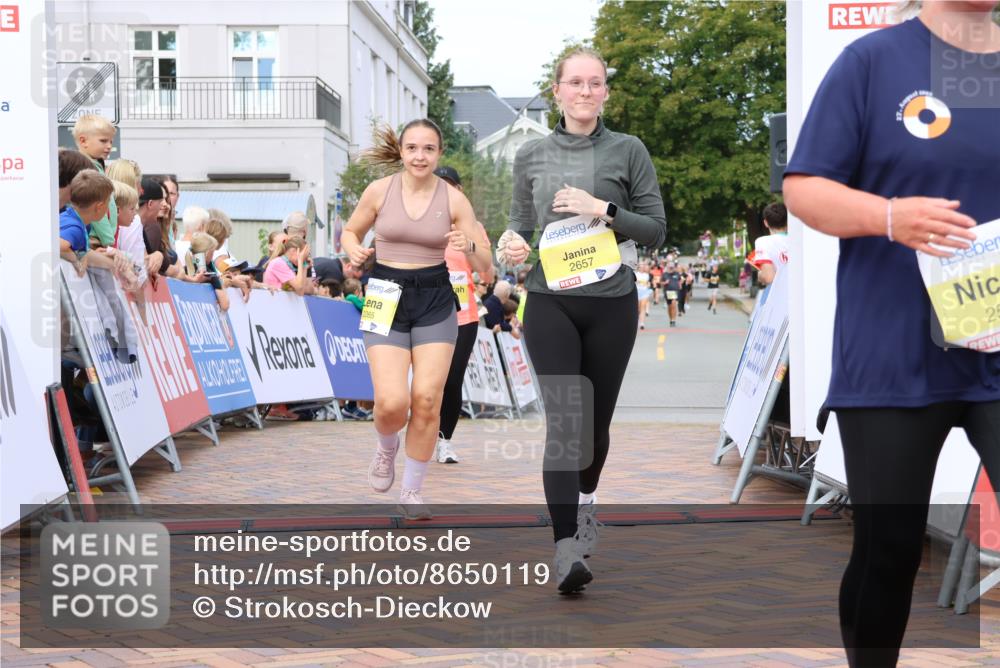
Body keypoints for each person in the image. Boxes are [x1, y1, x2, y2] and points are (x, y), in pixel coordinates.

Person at [782, 2, 1000, 665]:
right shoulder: (873, 64)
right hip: (893, 350)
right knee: (890, 550)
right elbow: (804, 188)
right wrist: (887, 215)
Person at [496, 47, 666, 593]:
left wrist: (602, 209)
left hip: (611, 302)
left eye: (595, 83)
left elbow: (655, 230)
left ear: (606, 92)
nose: (586, 91)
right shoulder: (532, 156)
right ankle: (566, 548)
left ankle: (587, 499)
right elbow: (519, 230)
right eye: (576, 83)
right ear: (558, 92)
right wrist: (512, 249)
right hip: (550, 300)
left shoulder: (628, 150)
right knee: (567, 424)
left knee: (594, 432)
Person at [340, 119, 492, 520]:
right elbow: (350, 232)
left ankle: (411, 492)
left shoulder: (454, 200)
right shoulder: (380, 190)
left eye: (428, 149)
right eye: (412, 148)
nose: (420, 156)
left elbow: (486, 267)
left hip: (436, 297)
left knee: (427, 399)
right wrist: (354, 249)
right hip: (385, 294)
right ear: (402, 152)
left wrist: (470, 244)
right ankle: (386, 448)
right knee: (392, 402)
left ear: (439, 153)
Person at [433, 165, 494, 464]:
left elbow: (488, 271)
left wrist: (469, 245)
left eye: (450, 186)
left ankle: (445, 441)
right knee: (428, 382)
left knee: (453, 379)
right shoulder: (421, 221)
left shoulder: (474, 226)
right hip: (426, 313)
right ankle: (423, 435)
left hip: (463, 315)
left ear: (459, 191)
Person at [71, 114, 118, 247]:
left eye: (111, 141)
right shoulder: (86, 168)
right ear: (83, 141)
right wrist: (109, 241)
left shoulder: (94, 165)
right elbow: (96, 207)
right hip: (94, 239)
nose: (109, 146)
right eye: (103, 141)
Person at [748, 202, 789, 287]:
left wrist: (760, 275)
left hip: (778, 297)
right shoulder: (798, 241)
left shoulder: (763, 242)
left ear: (766, 223)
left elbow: (768, 277)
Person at [635, 260, 652, 330]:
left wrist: (648, 284)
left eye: (643, 266)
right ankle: (638, 321)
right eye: (641, 266)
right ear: (638, 267)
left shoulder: (647, 275)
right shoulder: (635, 274)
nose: (642, 267)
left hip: (644, 292)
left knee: (643, 308)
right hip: (637, 292)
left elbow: (648, 283)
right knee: (638, 309)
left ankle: (642, 323)